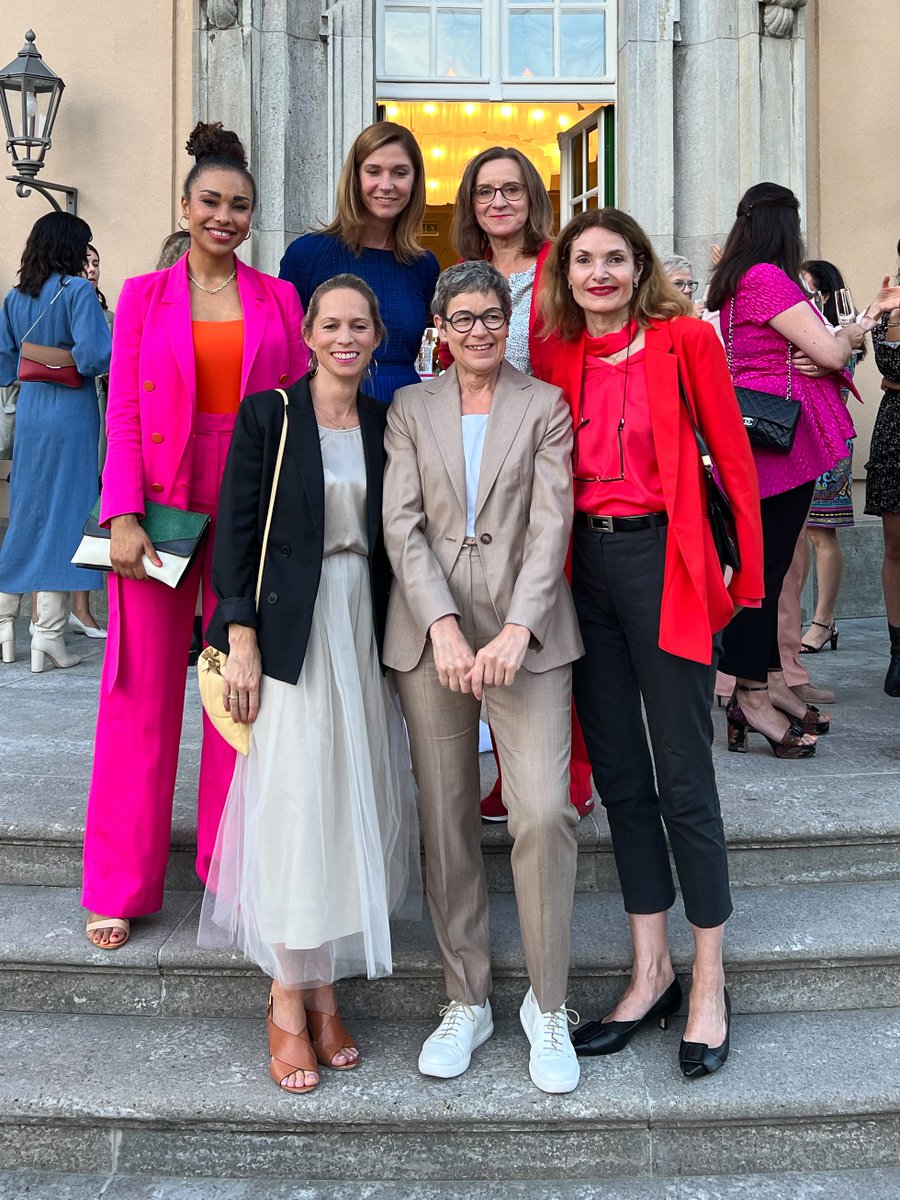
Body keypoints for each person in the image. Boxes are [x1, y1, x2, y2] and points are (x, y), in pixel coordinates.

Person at [531, 208, 764, 1079]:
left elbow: (733, 456)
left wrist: (745, 585)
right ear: (566, 271)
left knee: (684, 776)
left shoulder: (684, 343)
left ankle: (708, 975)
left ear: (638, 269)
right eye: (583, 259)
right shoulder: (555, 353)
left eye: (614, 259)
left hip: (664, 561)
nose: (598, 273)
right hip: (579, 572)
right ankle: (649, 970)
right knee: (622, 779)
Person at [81, 121, 307, 950]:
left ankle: (227, 863)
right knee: (137, 692)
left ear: (253, 215)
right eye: (211, 201)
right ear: (186, 204)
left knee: (234, 689)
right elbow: (127, 413)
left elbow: (289, 417)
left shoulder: (279, 300)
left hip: (248, 508)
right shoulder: (143, 295)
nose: (225, 216)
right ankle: (117, 882)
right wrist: (123, 513)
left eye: (240, 205)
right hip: (161, 509)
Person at [199, 274, 419, 1094]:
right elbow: (237, 527)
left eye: (359, 325)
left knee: (344, 801)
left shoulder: (381, 420)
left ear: (376, 336)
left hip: (361, 624)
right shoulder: (271, 414)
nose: (345, 337)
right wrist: (241, 634)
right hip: (290, 631)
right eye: (331, 324)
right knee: (295, 804)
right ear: (308, 331)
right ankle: (289, 1002)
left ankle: (324, 986)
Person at [383, 260, 584, 1095]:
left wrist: (514, 629)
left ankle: (548, 1002)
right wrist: (440, 626)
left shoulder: (542, 404)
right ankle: (466, 997)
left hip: (525, 640)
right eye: (461, 318)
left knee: (541, 811)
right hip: (431, 640)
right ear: (439, 326)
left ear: (510, 320)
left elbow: (551, 523)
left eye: (491, 317)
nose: (478, 331)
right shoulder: (407, 406)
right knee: (448, 817)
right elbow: (400, 522)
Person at [444, 145, 593, 821]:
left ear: (534, 196)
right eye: (484, 191)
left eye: (510, 189)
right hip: (483, 461)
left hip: (554, 449)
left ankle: (571, 773)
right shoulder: (461, 276)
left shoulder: (561, 265)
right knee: (499, 612)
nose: (498, 202)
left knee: (550, 616)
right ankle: (513, 771)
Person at [707, 183, 864, 758]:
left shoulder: (732, 279)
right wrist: (845, 336)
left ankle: (766, 684)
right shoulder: (768, 278)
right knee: (764, 572)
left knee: (764, 567)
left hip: (753, 432)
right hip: (779, 438)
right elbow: (827, 353)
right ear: (787, 227)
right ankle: (748, 694)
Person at [0, 212, 111, 671]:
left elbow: (6, 364)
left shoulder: (13, 297)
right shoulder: (80, 292)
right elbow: (95, 356)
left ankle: (4, 627)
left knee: (26, 511)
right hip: (71, 413)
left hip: (31, 412)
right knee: (67, 513)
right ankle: (47, 634)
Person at [279, 122, 439, 405]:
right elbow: (286, 352)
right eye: (373, 171)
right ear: (355, 178)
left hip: (407, 411)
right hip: (329, 409)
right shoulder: (307, 255)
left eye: (400, 173)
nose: (386, 185)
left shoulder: (423, 265)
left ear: (415, 182)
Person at [796, 260, 864, 654]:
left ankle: (823, 621)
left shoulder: (845, 335)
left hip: (829, 442)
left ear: (825, 294)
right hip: (794, 441)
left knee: (822, 534)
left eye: (808, 290)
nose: (802, 298)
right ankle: (811, 621)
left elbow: (833, 364)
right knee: (795, 535)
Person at [69, 242, 115, 640]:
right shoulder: (72, 301)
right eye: (86, 261)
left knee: (90, 501)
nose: (92, 268)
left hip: (102, 413)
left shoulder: (110, 313)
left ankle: (77, 609)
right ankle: (71, 611)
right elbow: (96, 359)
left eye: (97, 262)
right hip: (82, 411)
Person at [861, 241, 900, 696]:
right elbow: (889, 366)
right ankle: (897, 652)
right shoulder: (890, 303)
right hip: (896, 432)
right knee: (896, 545)